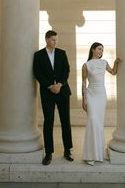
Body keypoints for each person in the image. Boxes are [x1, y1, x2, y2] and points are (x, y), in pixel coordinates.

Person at [33, 30, 73, 165]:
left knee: (65, 120)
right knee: (48, 121)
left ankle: (68, 150)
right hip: (47, 92)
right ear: (46, 40)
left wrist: (60, 84)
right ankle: (49, 153)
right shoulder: (38, 55)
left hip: (62, 91)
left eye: (56, 40)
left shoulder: (62, 53)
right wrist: (50, 86)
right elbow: (37, 73)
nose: (55, 42)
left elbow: (66, 70)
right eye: (53, 40)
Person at [82, 42, 121, 166]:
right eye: (99, 49)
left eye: (102, 50)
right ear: (93, 49)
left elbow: (113, 72)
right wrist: (84, 99)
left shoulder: (104, 62)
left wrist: (116, 63)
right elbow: (83, 83)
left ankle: (99, 154)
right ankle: (90, 155)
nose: (101, 51)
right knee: (92, 121)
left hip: (101, 95)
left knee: (99, 124)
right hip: (91, 93)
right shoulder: (86, 65)